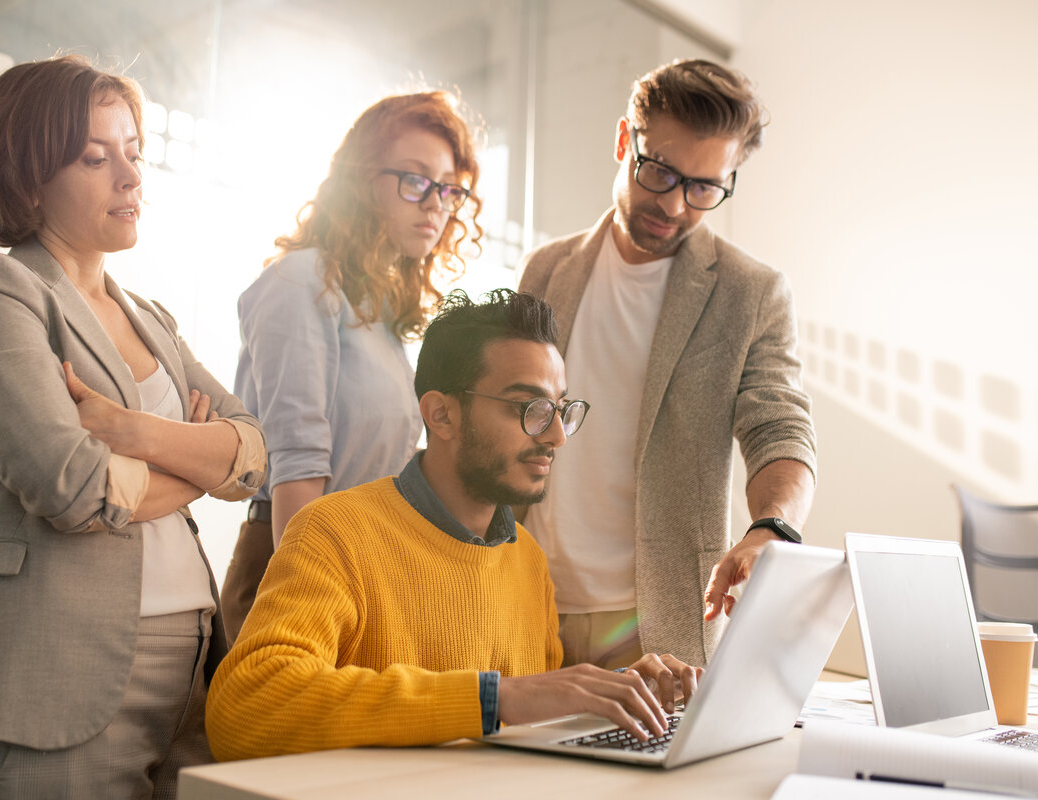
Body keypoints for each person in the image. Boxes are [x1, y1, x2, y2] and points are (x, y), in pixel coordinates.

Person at [0, 55, 266, 798]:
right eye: (94, 157)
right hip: (49, 665)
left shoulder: (154, 319)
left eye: (133, 154)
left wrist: (127, 432)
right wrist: (197, 461)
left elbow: (254, 456)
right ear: (28, 175)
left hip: (193, 669)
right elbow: (71, 486)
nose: (131, 179)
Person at [205, 289, 701, 761]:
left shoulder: (525, 557)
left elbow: (527, 719)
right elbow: (245, 706)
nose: (555, 436)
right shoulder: (334, 532)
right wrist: (491, 700)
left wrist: (610, 696)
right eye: (529, 408)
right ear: (441, 414)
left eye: (559, 410)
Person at [517, 59, 817, 668]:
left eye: (705, 188)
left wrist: (772, 527)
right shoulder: (546, 270)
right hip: (522, 600)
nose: (676, 205)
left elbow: (779, 427)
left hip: (655, 622)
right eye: (659, 172)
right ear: (626, 140)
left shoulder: (750, 292)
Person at [219, 91, 484, 640]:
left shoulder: (381, 312)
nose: (435, 203)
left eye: (449, 188)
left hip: (359, 570)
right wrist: (309, 601)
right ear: (364, 182)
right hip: (294, 568)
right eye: (415, 180)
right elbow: (299, 464)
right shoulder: (305, 280)